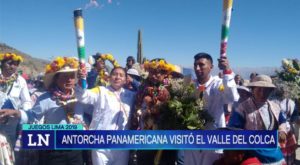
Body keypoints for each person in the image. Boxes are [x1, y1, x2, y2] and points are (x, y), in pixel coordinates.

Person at [0, 57, 87, 165]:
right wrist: (15, 112)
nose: (69, 80)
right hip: (54, 149)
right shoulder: (46, 99)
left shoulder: (81, 97)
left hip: (76, 148)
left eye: (71, 76)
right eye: (64, 76)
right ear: (56, 78)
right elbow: (31, 116)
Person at [184, 52, 239, 165]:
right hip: (192, 140)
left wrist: (227, 71)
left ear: (211, 67)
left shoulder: (218, 84)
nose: (197, 68)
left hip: (212, 140)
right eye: (195, 65)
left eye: (201, 64)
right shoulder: (190, 85)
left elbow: (231, 98)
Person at [77, 66, 136, 165]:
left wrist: (134, 81)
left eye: (121, 75)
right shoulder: (100, 91)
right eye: (114, 74)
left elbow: (144, 92)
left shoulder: (131, 95)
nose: (117, 77)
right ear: (109, 77)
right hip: (101, 143)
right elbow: (83, 96)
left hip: (122, 144)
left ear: (126, 80)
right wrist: (81, 81)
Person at [229, 75, 287, 164]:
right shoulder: (243, 108)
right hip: (251, 151)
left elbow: (282, 121)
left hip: (273, 149)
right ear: (253, 89)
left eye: (266, 90)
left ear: (270, 91)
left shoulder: (275, 107)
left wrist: (282, 131)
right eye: (259, 89)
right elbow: (233, 129)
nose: (262, 93)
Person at [0, 53, 32, 165]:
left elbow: (27, 102)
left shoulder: (20, 81)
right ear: (2, 63)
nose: (13, 66)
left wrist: (17, 112)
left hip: (11, 126)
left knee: (8, 154)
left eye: (16, 64)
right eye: (10, 63)